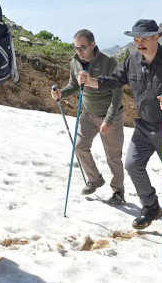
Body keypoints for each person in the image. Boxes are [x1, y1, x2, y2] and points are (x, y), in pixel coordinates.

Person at [78, 19, 162, 239]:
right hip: (144, 126)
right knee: (132, 164)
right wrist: (92, 82)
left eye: (144, 39)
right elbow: (115, 80)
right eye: (137, 40)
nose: (140, 44)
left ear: (157, 37)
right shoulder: (132, 60)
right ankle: (150, 206)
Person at [51, 29, 125, 205]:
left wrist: (109, 119)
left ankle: (118, 192)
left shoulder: (108, 62)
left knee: (113, 157)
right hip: (88, 113)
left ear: (93, 45)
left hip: (109, 114)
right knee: (79, 146)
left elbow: (117, 92)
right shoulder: (75, 61)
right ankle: (95, 179)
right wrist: (61, 94)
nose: (79, 52)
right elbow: (73, 85)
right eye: (75, 47)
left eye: (82, 47)